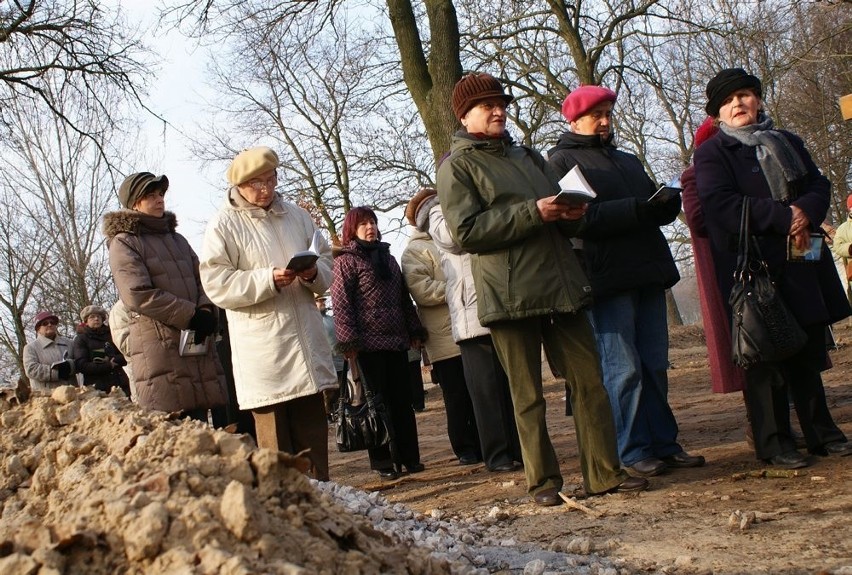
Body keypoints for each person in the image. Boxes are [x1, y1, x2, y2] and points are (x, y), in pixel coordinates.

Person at [437, 72, 647, 506]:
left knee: (590, 383)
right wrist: (533, 212)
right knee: (528, 395)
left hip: (562, 285)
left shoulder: (529, 156)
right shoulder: (457, 166)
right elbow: (466, 231)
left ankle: (605, 474)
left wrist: (571, 212)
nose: (499, 111)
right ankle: (543, 483)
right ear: (465, 115)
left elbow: (558, 205)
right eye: (488, 106)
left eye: (502, 103)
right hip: (509, 295)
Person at [695, 68, 852, 468]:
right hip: (753, 265)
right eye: (729, 101)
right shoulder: (712, 153)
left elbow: (819, 185)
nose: (739, 104)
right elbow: (721, 206)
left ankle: (822, 433)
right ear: (718, 113)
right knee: (764, 356)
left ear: (759, 100)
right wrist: (785, 217)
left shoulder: (787, 141)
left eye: (745, 95)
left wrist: (805, 212)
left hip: (803, 255)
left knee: (809, 346)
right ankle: (774, 441)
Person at [547, 85, 705, 478]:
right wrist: (638, 209)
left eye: (607, 114)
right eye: (596, 114)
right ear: (574, 119)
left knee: (654, 364)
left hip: (648, 271)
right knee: (623, 369)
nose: (604, 121)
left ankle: (664, 444)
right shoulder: (561, 161)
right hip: (606, 277)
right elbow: (580, 219)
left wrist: (666, 204)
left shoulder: (628, 159)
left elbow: (649, 204)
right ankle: (632, 449)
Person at [200, 146, 336, 481]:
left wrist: (312, 274)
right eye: (257, 183)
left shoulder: (297, 216)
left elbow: (327, 262)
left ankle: (329, 511)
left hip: (306, 345)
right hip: (265, 354)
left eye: (271, 179)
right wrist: (266, 279)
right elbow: (216, 283)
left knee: (313, 442)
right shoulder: (224, 224)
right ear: (239, 187)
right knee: (277, 453)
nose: (266, 188)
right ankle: (289, 514)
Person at [104, 172, 227, 422]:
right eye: (150, 196)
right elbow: (137, 293)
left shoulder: (178, 240)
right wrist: (190, 315)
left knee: (203, 423)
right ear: (134, 203)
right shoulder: (124, 242)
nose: (159, 200)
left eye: (160, 194)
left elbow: (202, 277)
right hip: (159, 347)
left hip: (194, 341)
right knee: (176, 428)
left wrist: (205, 310)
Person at [331, 206, 427, 480]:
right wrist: (348, 341)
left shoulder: (389, 259)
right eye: (363, 223)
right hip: (367, 346)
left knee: (402, 402)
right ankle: (384, 462)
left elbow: (403, 298)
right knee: (376, 405)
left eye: (372, 221)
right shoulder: (345, 262)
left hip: (396, 341)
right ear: (352, 229)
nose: (370, 227)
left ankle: (410, 458)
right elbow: (341, 303)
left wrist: (414, 330)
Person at [428, 197, 523, 473]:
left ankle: (519, 448)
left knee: (510, 387)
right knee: (485, 392)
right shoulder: (438, 211)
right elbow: (457, 237)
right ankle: (497, 454)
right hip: (471, 315)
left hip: (502, 305)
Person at [402, 187, 482, 465]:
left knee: (478, 392)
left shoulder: (454, 236)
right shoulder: (414, 251)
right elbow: (421, 290)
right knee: (456, 396)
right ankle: (464, 447)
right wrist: (458, 287)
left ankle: (484, 442)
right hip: (444, 338)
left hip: (471, 326)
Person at [681, 119, 748, 396]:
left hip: (761, 257)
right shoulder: (694, 175)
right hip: (725, 261)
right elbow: (697, 220)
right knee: (745, 336)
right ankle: (757, 418)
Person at [72, 305, 130, 396]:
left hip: (121, 385)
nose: (96, 319)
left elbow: (125, 355)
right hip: (97, 388)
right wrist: (108, 365)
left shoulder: (112, 335)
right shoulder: (81, 339)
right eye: (92, 317)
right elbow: (81, 365)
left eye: (99, 317)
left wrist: (113, 359)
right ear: (86, 322)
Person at [23, 311, 75, 392]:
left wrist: (70, 366)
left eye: (52, 322)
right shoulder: (30, 348)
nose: (50, 324)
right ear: (38, 329)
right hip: (46, 396)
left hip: (71, 393)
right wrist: (57, 373)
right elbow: (31, 369)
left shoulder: (70, 343)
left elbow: (80, 362)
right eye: (45, 323)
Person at [316, 293, 347, 423]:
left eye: (323, 300)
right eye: (319, 301)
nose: (323, 303)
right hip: (326, 362)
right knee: (328, 391)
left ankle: (340, 411)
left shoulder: (331, 319)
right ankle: (327, 414)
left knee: (341, 388)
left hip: (339, 359)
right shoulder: (314, 321)